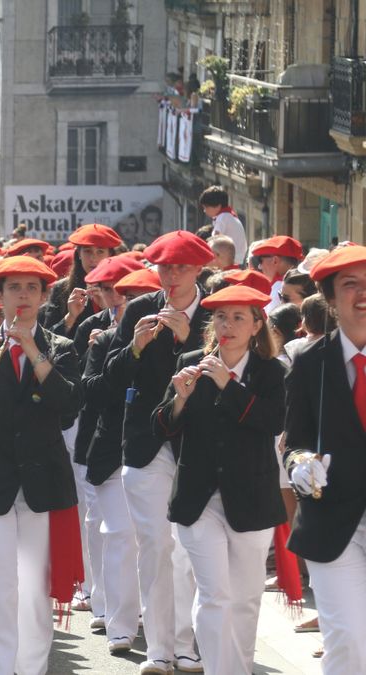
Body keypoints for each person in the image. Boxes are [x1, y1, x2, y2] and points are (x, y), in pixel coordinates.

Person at [0, 255, 83, 675]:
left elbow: (69, 407)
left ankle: (32, 668)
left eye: (31, 288)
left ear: (43, 297)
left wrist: (32, 350)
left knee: (32, 588)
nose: (22, 296)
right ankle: (1, 666)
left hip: (42, 482)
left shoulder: (61, 348)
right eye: (13, 289)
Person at [154, 284, 286, 675]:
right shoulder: (192, 360)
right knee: (213, 595)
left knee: (245, 598)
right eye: (221, 317)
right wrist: (178, 398)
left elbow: (272, 422)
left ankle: (238, 667)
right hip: (199, 497)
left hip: (252, 496)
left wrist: (229, 385)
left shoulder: (270, 371)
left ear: (257, 324)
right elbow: (160, 426)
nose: (227, 325)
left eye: (238, 317)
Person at [105, 230, 212, 675]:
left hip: (199, 445)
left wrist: (190, 342)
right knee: (153, 544)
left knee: (188, 548)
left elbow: (230, 377)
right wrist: (135, 346)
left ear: (199, 270)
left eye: (181, 267)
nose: (171, 275)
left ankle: (186, 643)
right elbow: (109, 377)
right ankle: (159, 648)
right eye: (164, 267)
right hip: (146, 443)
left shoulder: (218, 312)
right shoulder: (138, 309)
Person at [284, 245, 366, 674]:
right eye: (350, 285)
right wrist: (300, 465)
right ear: (330, 300)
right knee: (348, 641)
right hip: (334, 522)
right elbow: (294, 440)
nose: (363, 295)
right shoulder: (309, 362)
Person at [83, 265, 162, 652]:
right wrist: (132, 349)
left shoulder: (183, 342)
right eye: (125, 299)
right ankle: (119, 624)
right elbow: (93, 392)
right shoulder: (105, 342)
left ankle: (161, 619)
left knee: (158, 542)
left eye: (141, 299)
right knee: (118, 534)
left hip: (164, 453)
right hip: (114, 451)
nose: (129, 307)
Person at [200, 186, 247, 265]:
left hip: (234, 261)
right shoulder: (228, 216)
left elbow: (215, 239)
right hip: (240, 260)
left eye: (206, 207)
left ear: (218, 206)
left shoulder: (222, 218)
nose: (205, 211)